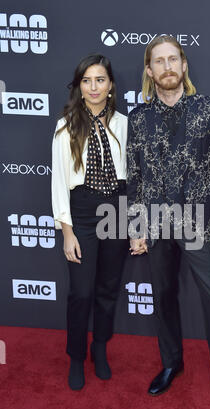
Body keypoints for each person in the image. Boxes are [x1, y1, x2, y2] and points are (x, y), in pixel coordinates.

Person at [127, 36, 210, 409]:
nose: (167, 66)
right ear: (149, 70)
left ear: (184, 64)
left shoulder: (209, 109)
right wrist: (137, 226)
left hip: (198, 222)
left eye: (173, 59)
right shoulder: (138, 119)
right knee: (162, 296)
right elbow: (135, 176)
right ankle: (172, 363)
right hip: (156, 222)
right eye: (158, 61)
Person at [51, 54, 128, 390]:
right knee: (81, 292)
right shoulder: (66, 124)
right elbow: (58, 181)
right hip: (81, 212)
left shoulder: (125, 124)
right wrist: (67, 232)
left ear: (110, 85)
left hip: (117, 210)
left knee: (108, 289)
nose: (94, 87)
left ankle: (100, 348)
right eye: (87, 80)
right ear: (79, 87)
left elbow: (133, 179)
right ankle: (76, 357)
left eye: (100, 80)